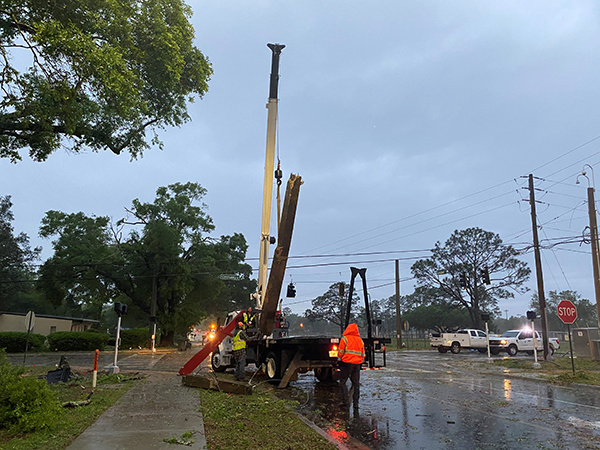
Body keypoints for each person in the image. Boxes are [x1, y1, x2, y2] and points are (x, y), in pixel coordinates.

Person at [338, 323, 365, 408]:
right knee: (356, 384)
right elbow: (363, 354)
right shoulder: (360, 340)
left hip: (346, 363)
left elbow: (340, 352)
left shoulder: (345, 339)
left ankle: (345, 402)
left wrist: (339, 360)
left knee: (343, 382)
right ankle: (356, 403)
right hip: (357, 364)